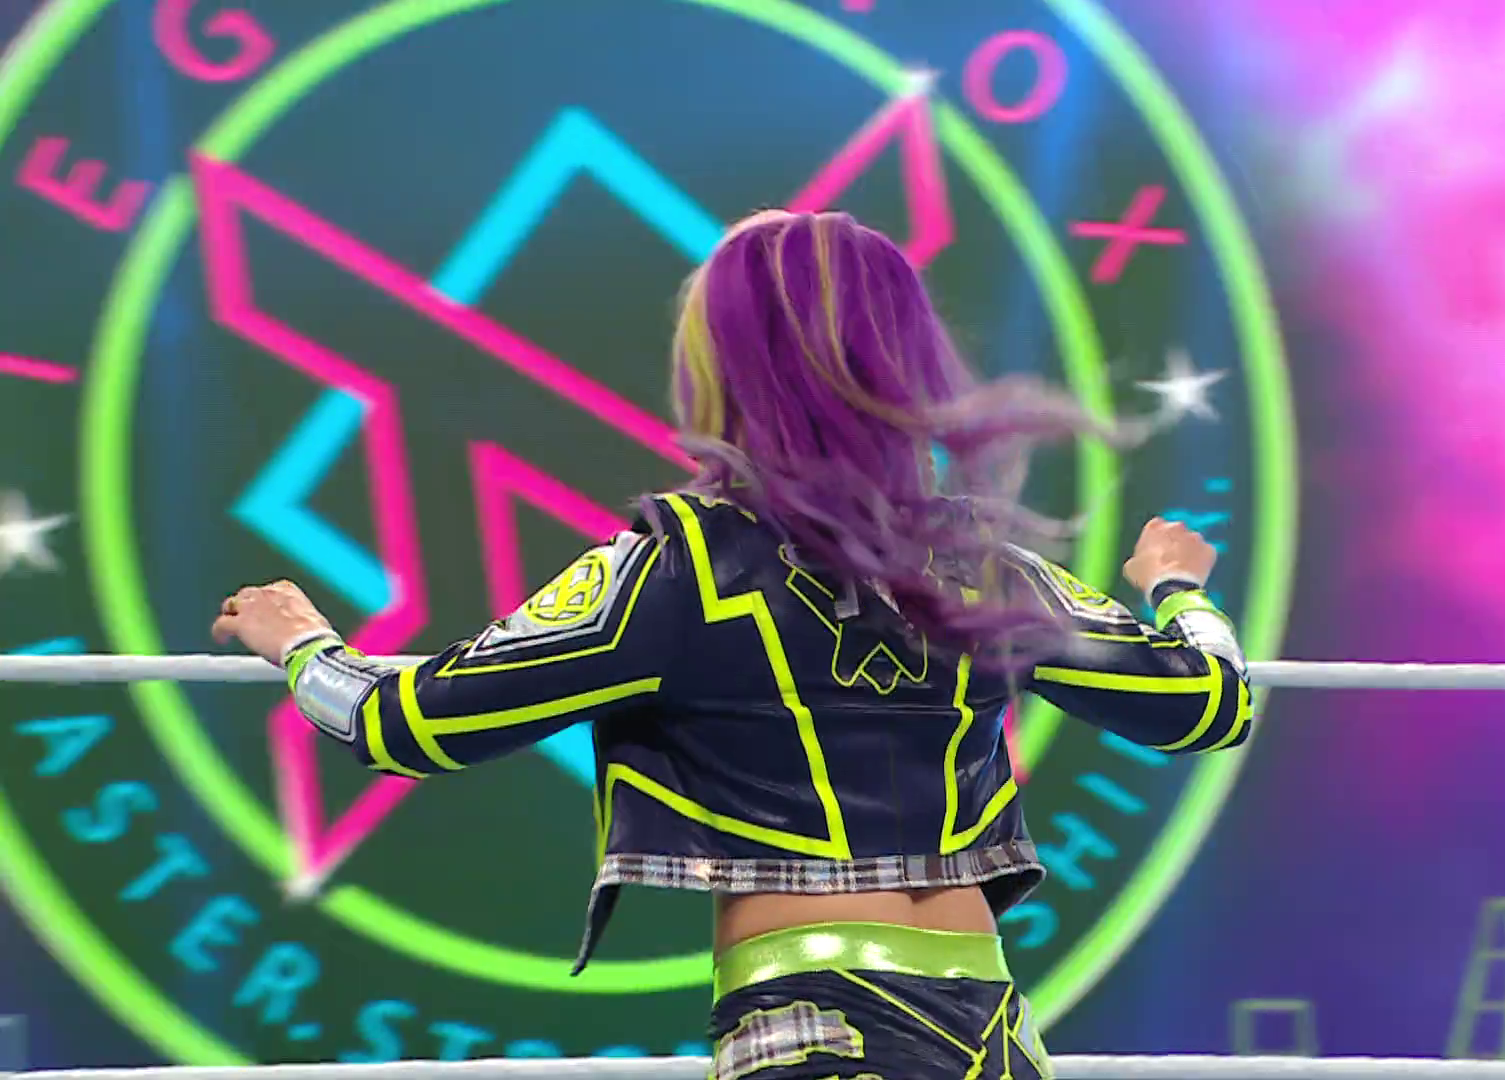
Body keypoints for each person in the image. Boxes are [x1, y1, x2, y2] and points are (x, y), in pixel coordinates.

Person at [212, 209, 1255, 1080]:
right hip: (994, 1034)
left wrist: (303, 647)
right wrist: (1178, 590)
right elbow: (1209, 701)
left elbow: (406, 724)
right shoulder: (983, 563)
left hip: (815, 1032)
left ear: (721, 364)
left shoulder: (680, 566)